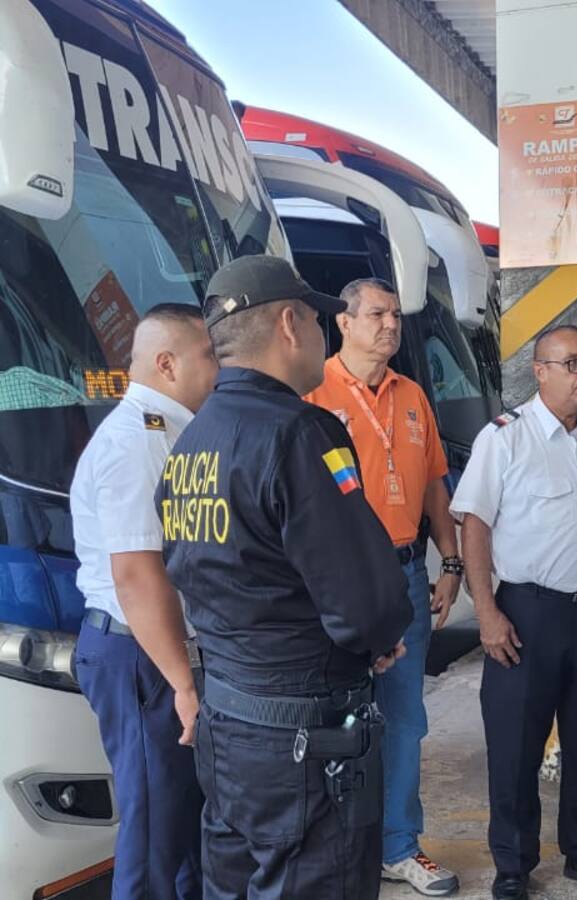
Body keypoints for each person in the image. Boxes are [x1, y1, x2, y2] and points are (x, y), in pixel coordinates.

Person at [158, 255, 414, 898]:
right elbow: (368, 603)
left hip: (229, 731)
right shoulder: (304, 433)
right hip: (306, 743)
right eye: (322, 319)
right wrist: (381, 635)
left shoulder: (190, 443)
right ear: (292, 324)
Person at [450, 324, 577, 900]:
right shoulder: (507, 438)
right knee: (515, 745)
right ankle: (514, 865)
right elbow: (474, 524)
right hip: (527, 615)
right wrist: (486, 613)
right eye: (571, 363)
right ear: (539, 371)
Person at [305, 277, 461, 895]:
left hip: (404, 574)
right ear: (343, 323)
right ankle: (338, 845)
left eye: (395, 314)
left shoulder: (414, 396)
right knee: (335, 715)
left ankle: (399, 846)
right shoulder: (312, 393)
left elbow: (434, 489)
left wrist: (449, 565)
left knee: (404, 717)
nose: (391, 324)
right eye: (377, 313)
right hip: (336, 581)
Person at [70, 304, 216, 900]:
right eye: (209, 355)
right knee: (154, 832)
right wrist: (183, 682)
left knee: (182, 829)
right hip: (142, 657)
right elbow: (135, 573)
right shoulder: (137, 441)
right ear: (167, 364)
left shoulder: (172, 430)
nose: (220, 367)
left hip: (156, 651)